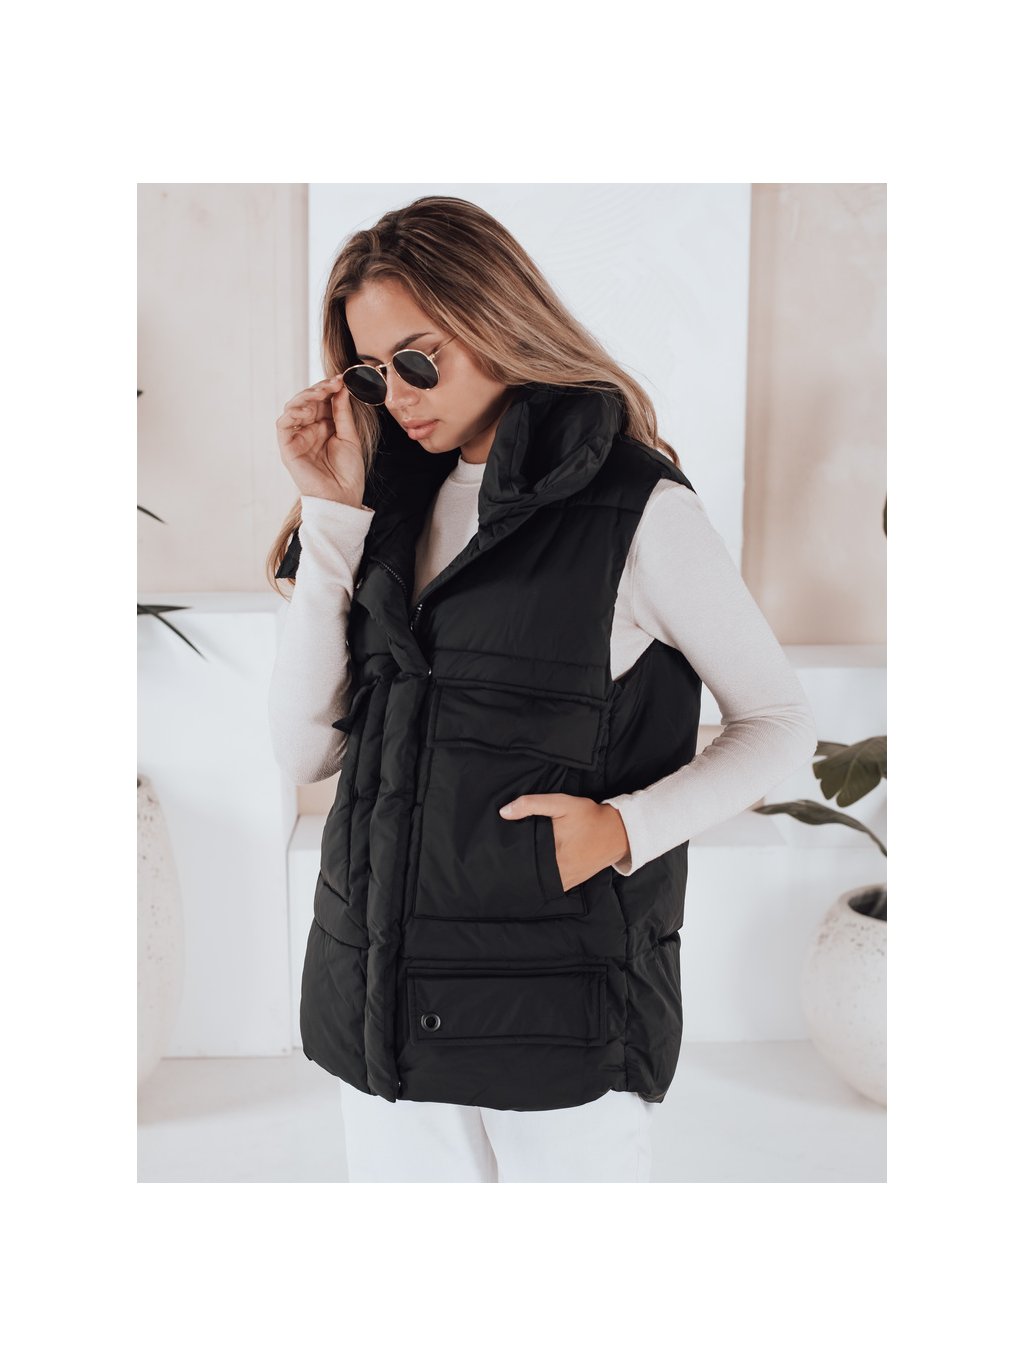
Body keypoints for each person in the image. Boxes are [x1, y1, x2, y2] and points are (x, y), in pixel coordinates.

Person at [266, 195, 817, 1183]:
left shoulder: (634, 507)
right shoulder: (383, 505)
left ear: (495, 317)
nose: (399, 396)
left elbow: (777, 721)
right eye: (372, 373)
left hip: (558, 1011)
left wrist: (623, 829)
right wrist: (329, 517)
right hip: (376, 997)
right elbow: (306, 751)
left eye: (419, 359)